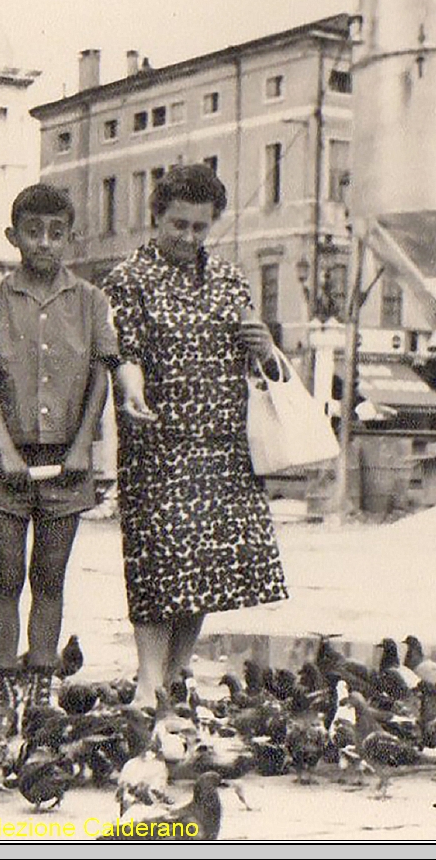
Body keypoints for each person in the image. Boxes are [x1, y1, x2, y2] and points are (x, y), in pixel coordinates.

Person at [102, 164, 288, 707]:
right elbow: (125, 352)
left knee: (203, 566)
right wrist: (130, 389)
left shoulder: (231, 279)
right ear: (155, 216)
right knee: (160, 561)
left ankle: (177, 674)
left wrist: (263, 344)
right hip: (158, 440)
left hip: (223, 444)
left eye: (199, 228)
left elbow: (267, 368)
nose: (187, 237)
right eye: (178, 224)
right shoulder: (127, 279)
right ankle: (147, 678)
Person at [0, 184, 118, 713]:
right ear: (13, 236)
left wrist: (82, 445)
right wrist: (4, 449)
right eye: (33, 232)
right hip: (6, 461)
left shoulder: (91, 301)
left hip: (66, 462)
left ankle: (39, 689)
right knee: (6, 574)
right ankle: (4, 689)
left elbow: (102, 375)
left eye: (56, 234)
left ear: (71, 239)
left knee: (49, 578)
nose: (44, 243)